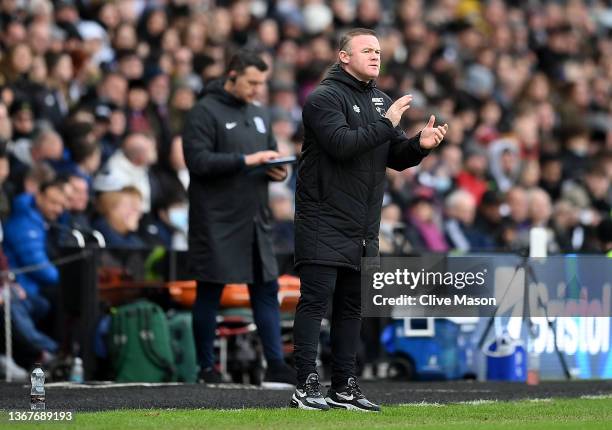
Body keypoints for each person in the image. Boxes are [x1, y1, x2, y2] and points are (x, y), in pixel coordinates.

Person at [291, 28, 448, 411]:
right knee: (315, 302)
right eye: (367, 50)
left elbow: (392, 154)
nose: (376, 56)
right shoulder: (323, 98)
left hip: (363, 224)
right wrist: (388, 121)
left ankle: (344, 385)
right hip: (322, 217)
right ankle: (305, 385)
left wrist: (418, 146)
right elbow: (342, 145)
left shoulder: (381, 101)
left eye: (378, 50)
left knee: (351, 307)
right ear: (343, 56)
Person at [182, 50, 296, 385]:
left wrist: (276, 172)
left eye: (262, 83)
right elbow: (198, 161)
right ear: (232, 75)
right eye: (251, 82)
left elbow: (269, 155)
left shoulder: (260, 114)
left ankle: (275, 364)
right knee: (210, 291)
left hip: (254, 217)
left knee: (265, 288)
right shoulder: (204, 111)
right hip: (215, 218)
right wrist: (247, 161)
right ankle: (206, 368)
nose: (258, 89)